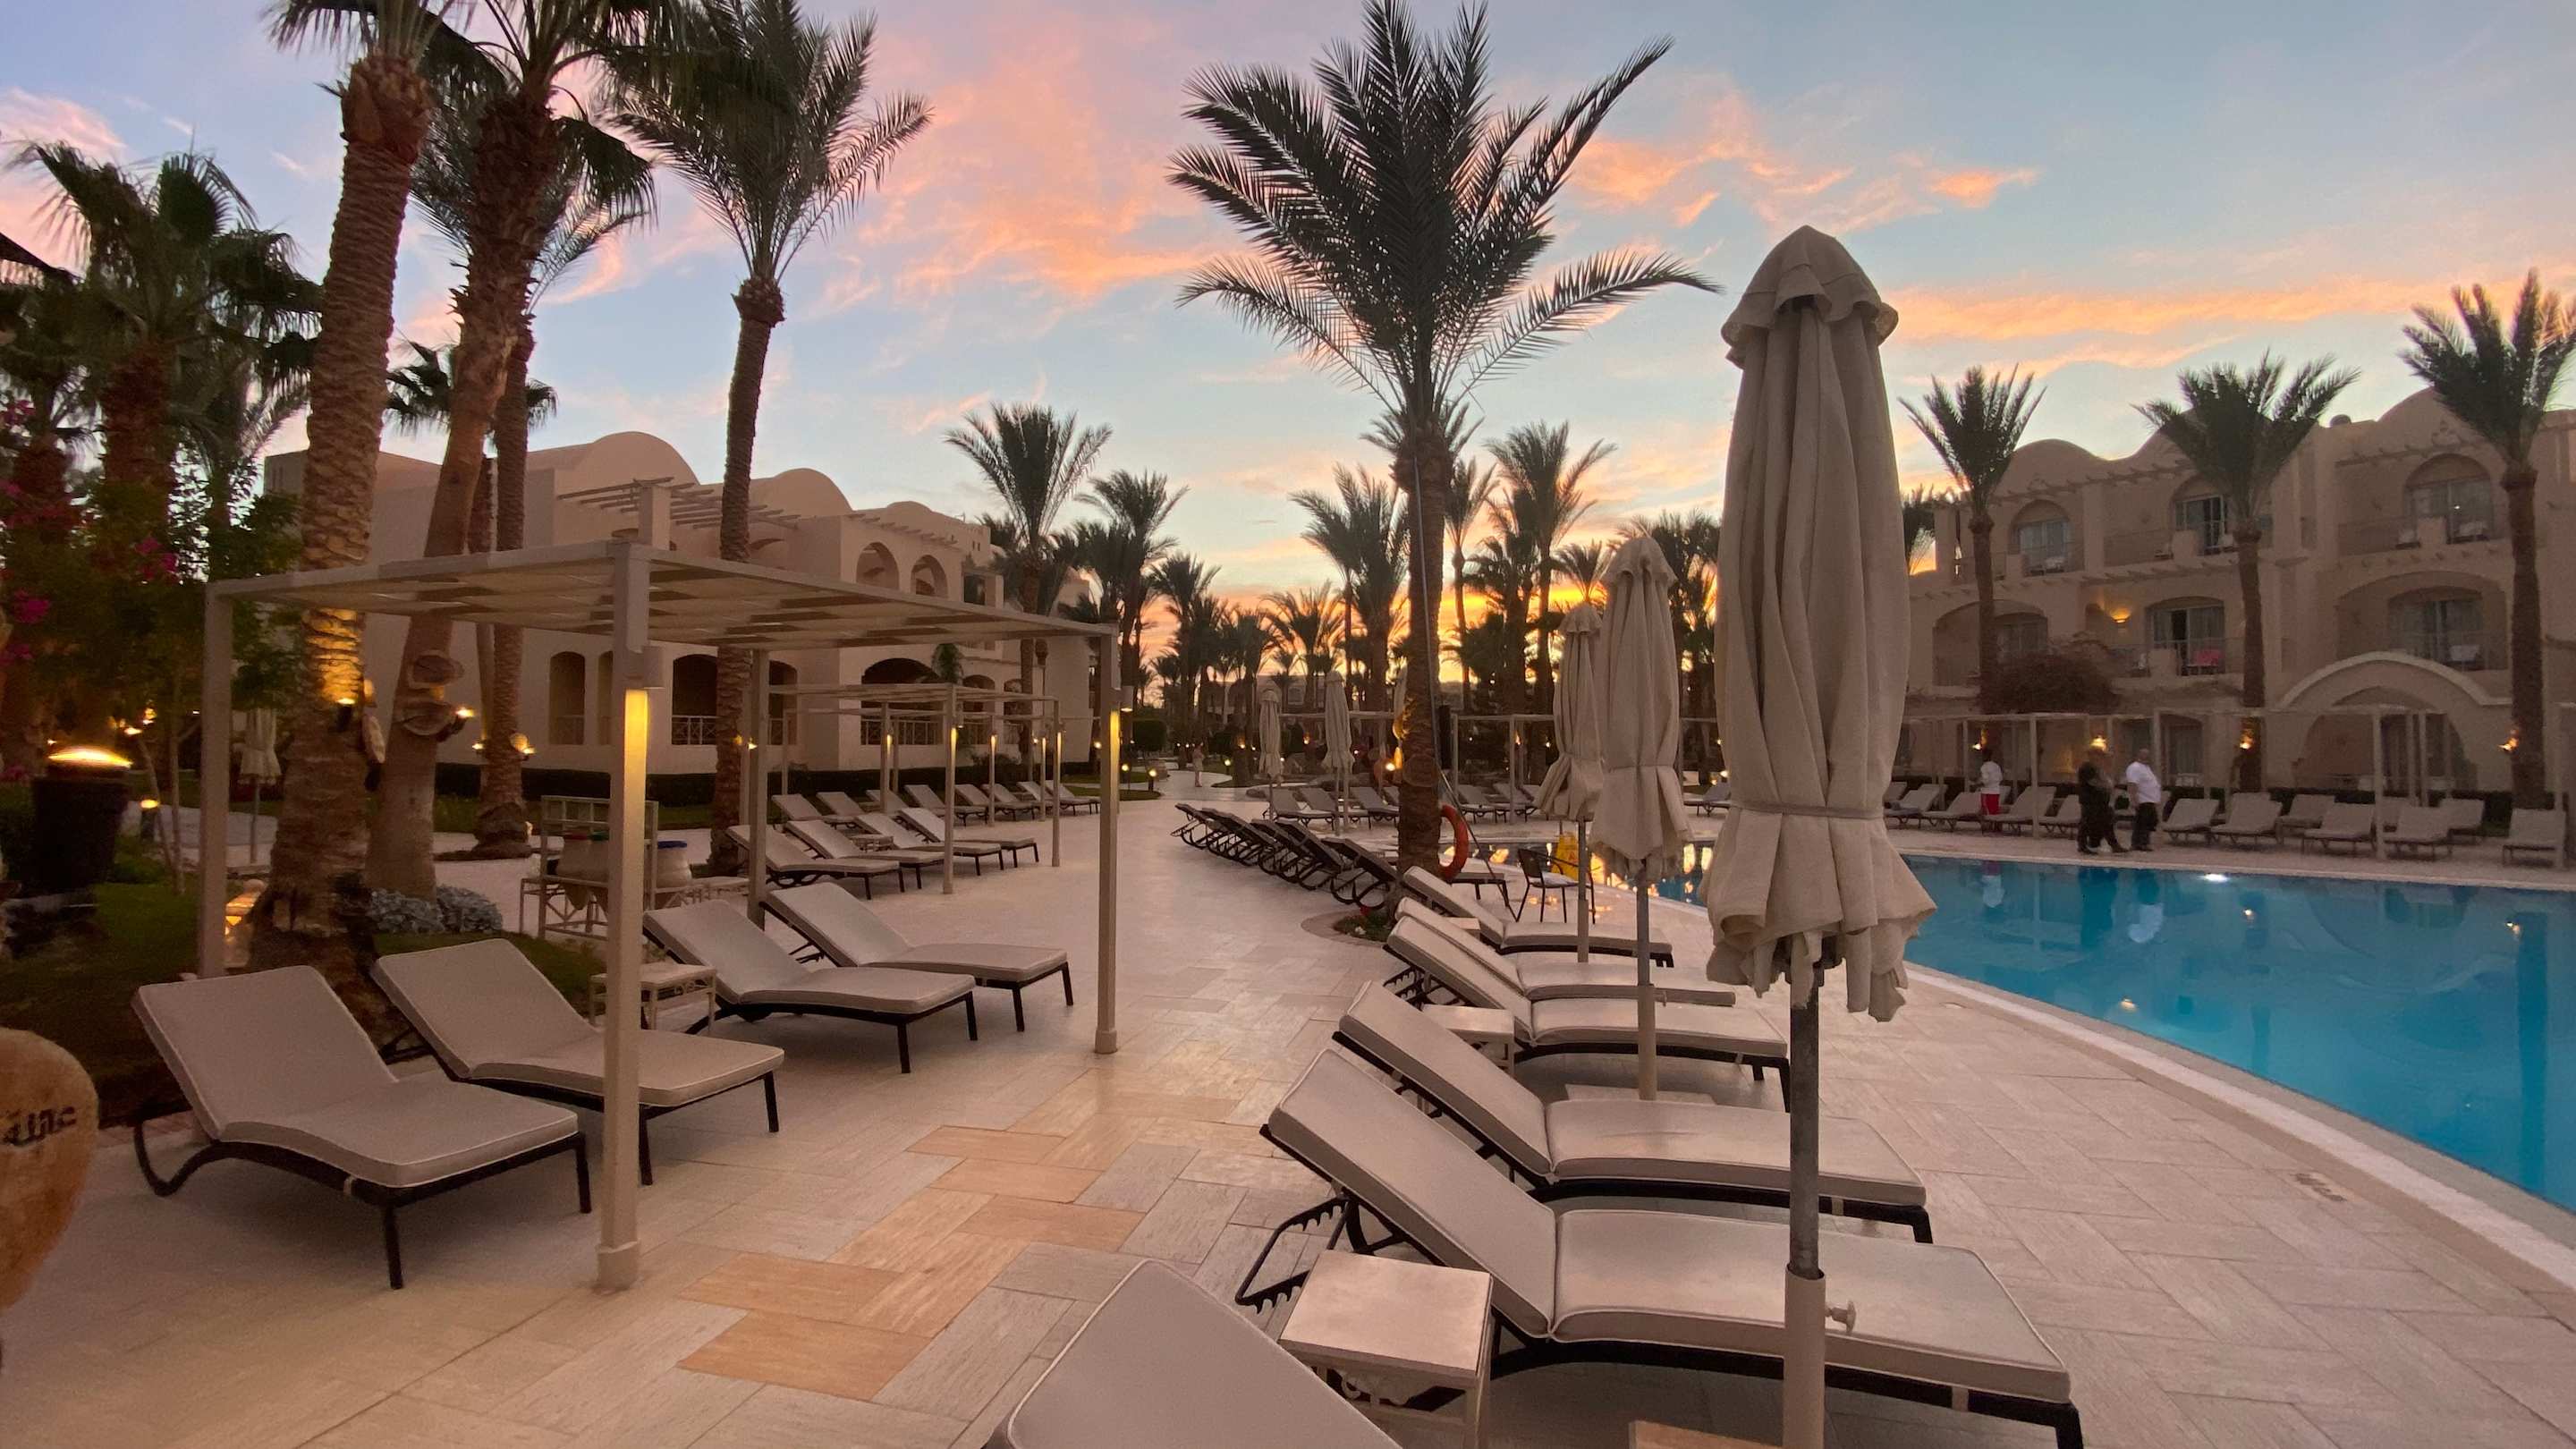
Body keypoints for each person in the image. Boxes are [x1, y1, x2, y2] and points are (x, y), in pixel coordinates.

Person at [2075, 748, 2125, 855]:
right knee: (2087, 823)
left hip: (2100, 801)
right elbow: (2092, 782)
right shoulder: (2087, 767)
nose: (2100, 758)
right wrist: (2106, 786)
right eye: (2098, 755)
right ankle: (2083, 845)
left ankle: (2112, 845)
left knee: (2106, 822)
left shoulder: (2097, 768)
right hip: (2090, 801)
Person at [2125, 749, 2164, 852]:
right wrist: (2134, 798)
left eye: (2148, 755)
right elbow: (2132, 784)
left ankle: (2141, 842)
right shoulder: (2135, 767)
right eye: (2144, 754)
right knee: (2143, 823)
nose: (2147, 757)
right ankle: (2140, 843)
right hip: (2143, 799)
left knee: (2149, 822)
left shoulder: (2146, 768)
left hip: (2150, 800)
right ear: (2139, 755)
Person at [1978, 751, 2005, 817]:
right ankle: (1995, 823)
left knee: (1987, 813)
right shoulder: (1996, 766)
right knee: (1994, 811)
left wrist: (1978, 783)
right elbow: (2000, 778)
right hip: (1996, 792)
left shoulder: (1984, 767)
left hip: (1987, 792)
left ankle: (1989, 823)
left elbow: (1986, 780)